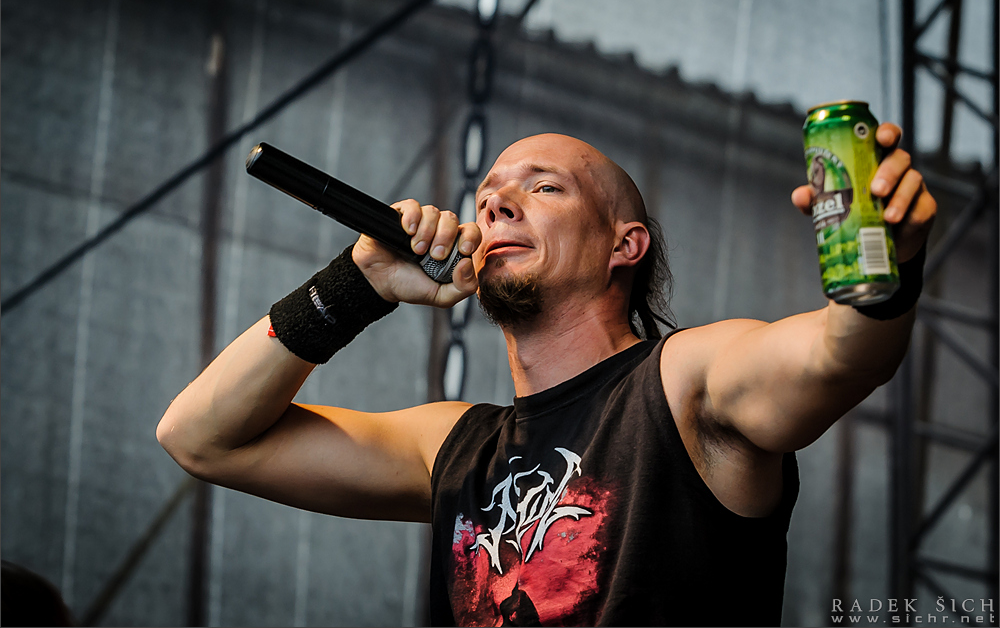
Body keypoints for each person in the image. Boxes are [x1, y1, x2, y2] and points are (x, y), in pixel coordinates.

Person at [158, 128, 935, 626]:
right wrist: (355, 284)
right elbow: (202, 438)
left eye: (542, 187)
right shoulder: (453, 446)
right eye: (488, 195)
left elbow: (842, 355)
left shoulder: (684, 381)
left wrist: (885, 263)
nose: (496, 203)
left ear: (623, 246)